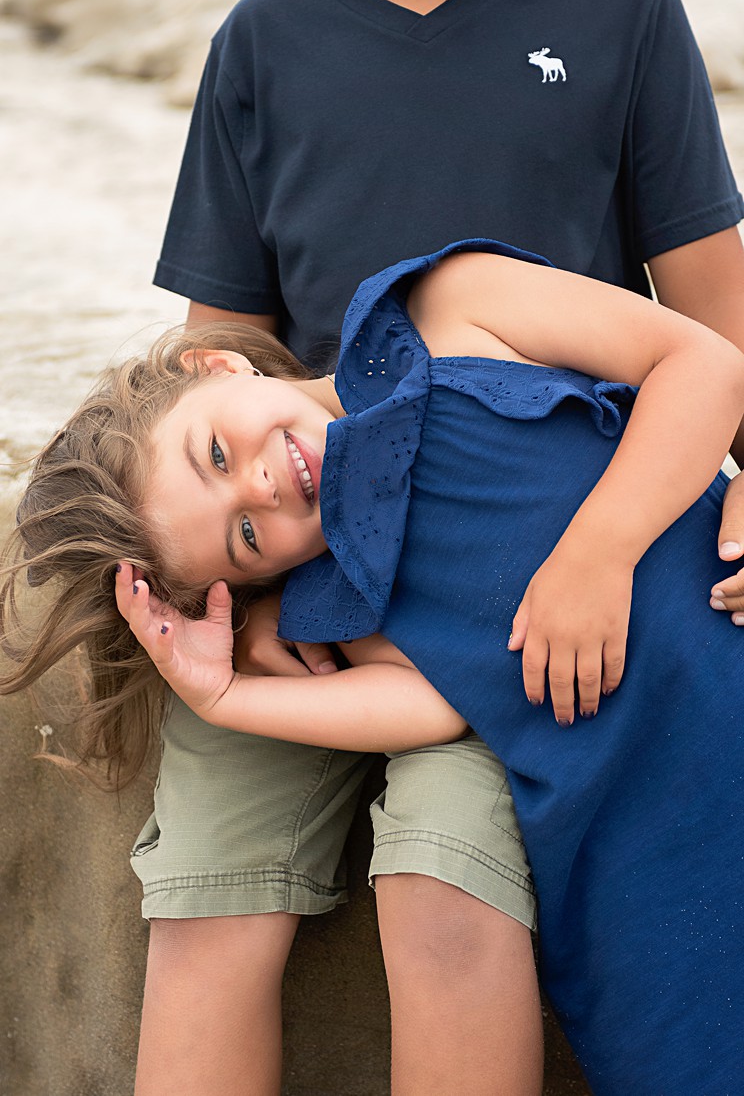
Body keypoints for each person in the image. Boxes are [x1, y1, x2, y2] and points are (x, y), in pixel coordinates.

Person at [145, 0, 744, 1089]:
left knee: (442, 873)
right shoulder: (265, 38)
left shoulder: (622, 6)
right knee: (207, 890)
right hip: (307, 562)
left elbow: (715, 315)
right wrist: (260, 591)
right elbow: (219, 347)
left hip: (512, 551)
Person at [3, 239, 744, 1095]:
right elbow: (430, 706)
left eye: (214, 453)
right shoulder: (344, 586)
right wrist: (228, 694)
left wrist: (599, 553)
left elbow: (703, 362)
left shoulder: (444, 309)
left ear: (218, 364)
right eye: (245, 537)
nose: (262, 488)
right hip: (636, 809)